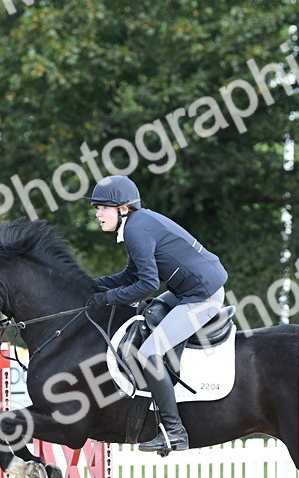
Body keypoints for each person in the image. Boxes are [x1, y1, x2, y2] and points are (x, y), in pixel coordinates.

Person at [86, 174, 228, 454]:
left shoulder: (136, 230)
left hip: (203, 296)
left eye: (103, 207)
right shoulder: (137, 224)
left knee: (149, 352)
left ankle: (174, 432)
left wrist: (106, 298)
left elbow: (148, 284)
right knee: (145, 313)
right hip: (187, 290)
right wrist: (93, 284)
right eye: (96, 208)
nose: (98, 213)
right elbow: (132, 275)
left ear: (122, 208)